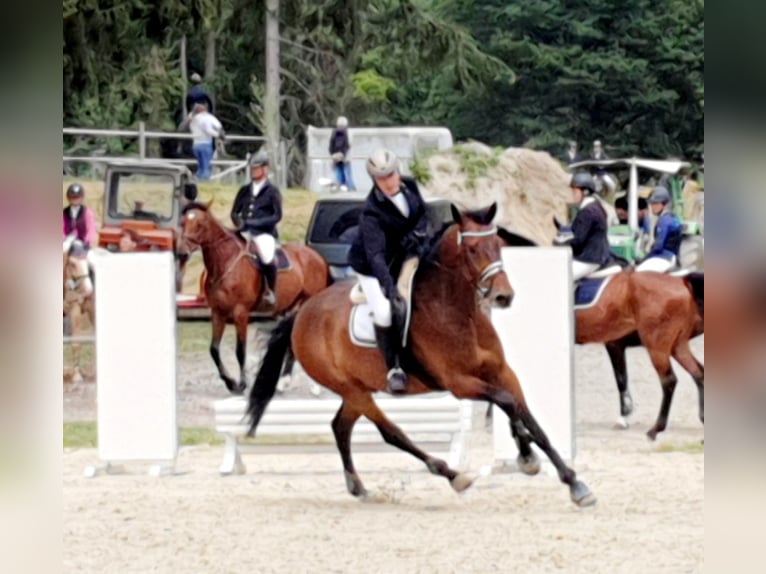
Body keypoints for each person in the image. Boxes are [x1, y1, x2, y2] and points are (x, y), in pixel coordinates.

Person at [348, 149, 433, 394]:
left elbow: (422, 214)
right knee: (385, 311)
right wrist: (388, 286)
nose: (390, 181)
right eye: (383, 178)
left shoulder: (410, 185)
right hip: (372, 267)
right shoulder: (371, 212)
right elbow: (375, 256)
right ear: (375, 180)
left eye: (392, 174)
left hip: (403, 255)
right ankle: (394, 368)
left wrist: (419, 234)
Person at [230, 150, 282, 308]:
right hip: (243, 231)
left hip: (264, 233)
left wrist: (254, 223)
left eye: (257, 168)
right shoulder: (244, 190)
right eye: (252, 169)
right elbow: (234, 211)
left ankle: (271, 291)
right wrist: (239, 222)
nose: (253, 172)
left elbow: (276, 216)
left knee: (266, 256)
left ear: (266, 169)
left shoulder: (272, 191)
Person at [554, 172, 614, 280]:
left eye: (574, 191)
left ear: (585, 192)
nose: (572, 194)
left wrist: (559, 243)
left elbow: (577, 240)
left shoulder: (588, 212)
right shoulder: (594, 207)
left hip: (589, 258)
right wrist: (561, 228)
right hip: (593, 255)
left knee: (560, 277)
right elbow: (577, 230)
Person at [636, 187, 683, 273]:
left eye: (655, 204)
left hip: (663, 258)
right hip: (671, 258)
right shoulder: (672, 217)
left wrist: (644, 259)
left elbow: (658, 247)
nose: (652, 206)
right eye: (651, 204)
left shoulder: (664, 220)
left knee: (638, 272)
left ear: (663, 204)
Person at [184, 103, 224, 180]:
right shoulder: (207, 117)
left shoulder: (193, 118)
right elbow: (209, 129)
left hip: (196, 145)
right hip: (205, 144)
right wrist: (218, 135)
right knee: (206, 166)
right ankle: (204, 182)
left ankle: (198, 179)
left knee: (201, 166)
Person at [62, 183, 98, 248]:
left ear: (82, 198)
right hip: (66, 243)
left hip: (82, 243)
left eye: (77, 197)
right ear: (68, 198)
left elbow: (91, 229)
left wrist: (87, 242)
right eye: (72, 197)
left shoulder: (87, 212)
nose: (75, 199)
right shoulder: (63, 213)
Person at [328, 116, 356, 190]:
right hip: (346, 154)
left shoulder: (334, 131)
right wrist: (344, 153)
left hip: (337, 154)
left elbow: (331, 143)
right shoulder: (348, 132)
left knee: (339, 170)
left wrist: (332, 153)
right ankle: (350, 186)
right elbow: (349, 143)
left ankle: (340, 185)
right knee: (348, 171)